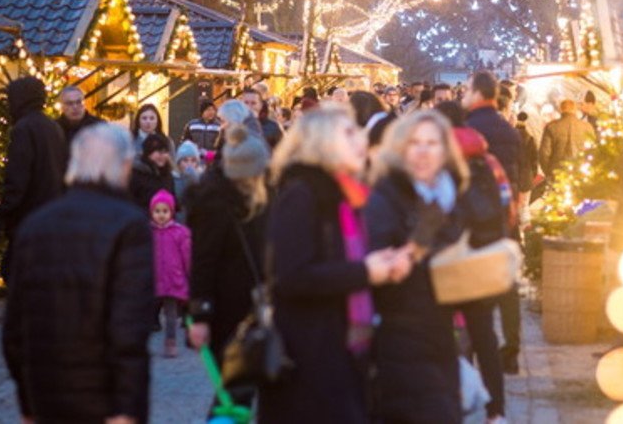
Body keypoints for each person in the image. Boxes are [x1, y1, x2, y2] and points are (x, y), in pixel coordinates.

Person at [260, 105, 411, 423]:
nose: (360, 140)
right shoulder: (301, 195)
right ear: (321, 142)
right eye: (348, 133)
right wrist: (366, 271)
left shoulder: (345, 197)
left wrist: (377, 265)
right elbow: (292, 276)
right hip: (308, 354)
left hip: (342, 350)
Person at [3, 124, 153, 423]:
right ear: (124, 166)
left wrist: (27, 400)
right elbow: (129, 327)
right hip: (104, 399)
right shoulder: (129, 226)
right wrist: (127, 406)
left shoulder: (36, 225)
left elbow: (15, 327)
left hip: (45, 395)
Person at [366, 111, 469, 424]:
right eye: (415, 143)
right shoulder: (386, 195)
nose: (424, 152)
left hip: (441, 333)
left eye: (432, 143)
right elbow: (375, 262)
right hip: (397, 335)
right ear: (400, 149)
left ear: (445, 150)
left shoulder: (450, 196)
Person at [434, 101, 509, 422]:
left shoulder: (437, 159)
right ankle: (496, 409)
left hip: (447, 261)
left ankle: (453, 401)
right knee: (485, 336)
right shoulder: (487, 159)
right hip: (481, 258)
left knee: (443, 335)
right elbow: (505, 199)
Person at [187, 124, 269, 408]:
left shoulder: (254, 199)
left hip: (249, 308)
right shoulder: (216, 202)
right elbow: (203, 261)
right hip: (226, 312)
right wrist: (200, 316)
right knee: (234, 392)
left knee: (240, 391)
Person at [463, 70, 523, 373]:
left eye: (466, 90)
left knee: (476, 290)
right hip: (505, 213)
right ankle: (511, 349)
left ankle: (474, 349)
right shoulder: (507, 129)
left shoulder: (468, 128)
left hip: (476, 217)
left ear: (477, 93)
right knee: (507, 284)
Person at [0, 76, 68, 283]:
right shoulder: (52, 127)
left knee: (17, 274)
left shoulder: (24, 129)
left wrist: (3, 212)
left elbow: (17, 176)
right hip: (52, 215)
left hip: (28, 216)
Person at [149, 190, 190, 359]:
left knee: (171, 315)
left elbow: (187, 255)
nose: (161, 215)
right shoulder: (147, 232)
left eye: (164, 211)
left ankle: (170, 342)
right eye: (157, 211)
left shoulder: (180, 232)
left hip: (173, 279)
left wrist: (189, 274)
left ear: (171, 212)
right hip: (152, 280)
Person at [539, 99, 596, 183]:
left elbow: (544, 154)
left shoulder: (551, 127)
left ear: (561, 109)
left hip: (557, 174)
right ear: (575, 110)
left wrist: (549, 173)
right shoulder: (587, 127)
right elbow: (592, 152)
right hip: (580, 174)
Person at [129, 133, 175, 209]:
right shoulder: (136, 174)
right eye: (158, 152)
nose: (162, 155)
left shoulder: (168, 175)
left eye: (164, 152)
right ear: (148, 153)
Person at [173, 141, 202, 218]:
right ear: (178, 163)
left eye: (193, 160)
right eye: (185, 160)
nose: (189, 164)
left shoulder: (202, 179)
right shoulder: (173, 179)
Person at [515, 112, 539, 203]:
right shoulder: (530, 139)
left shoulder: (510, 136)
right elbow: (534, 158)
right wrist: (534, 173)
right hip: (526, 176)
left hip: (513, 176)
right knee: (524, 206)